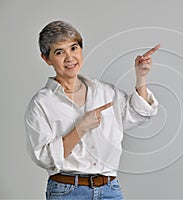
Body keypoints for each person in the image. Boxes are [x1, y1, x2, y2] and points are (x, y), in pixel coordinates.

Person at [24, 20, 159, 200]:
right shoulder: (42, 104)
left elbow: (138, 114)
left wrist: (141, 77)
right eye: (59, 52)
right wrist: (81, 128)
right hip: (67, 191)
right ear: (46, 58)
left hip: (109, 189)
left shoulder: (105, 92)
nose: (69, 57)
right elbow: (44, 157)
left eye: (73, 48)